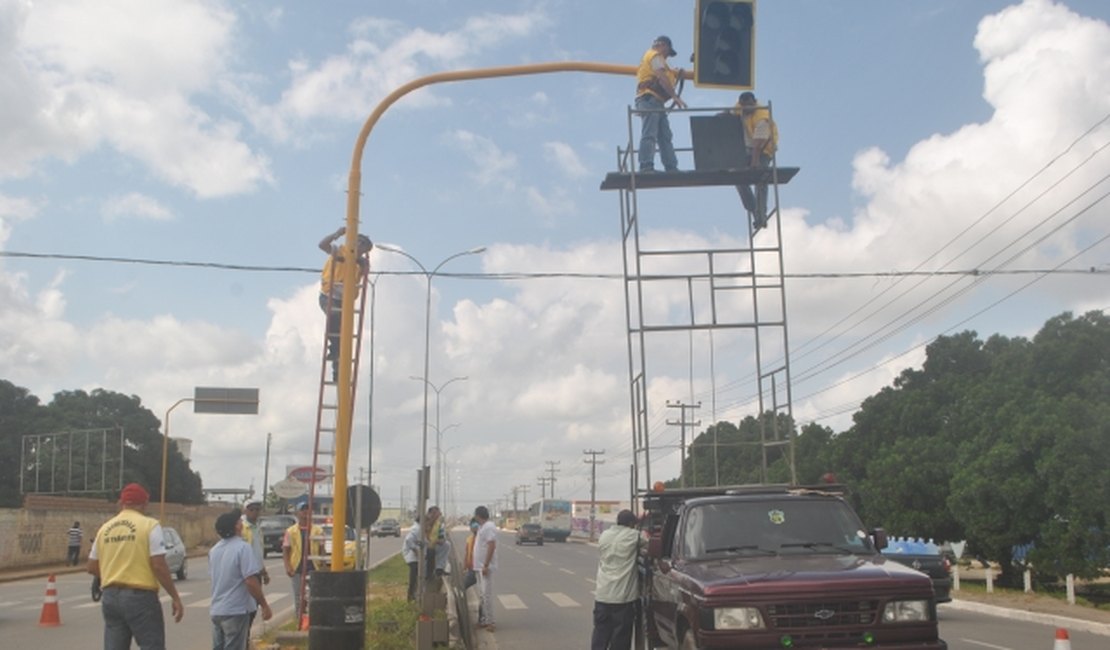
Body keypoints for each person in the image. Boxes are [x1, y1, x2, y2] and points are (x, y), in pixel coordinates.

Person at [86, 482, 184, 650]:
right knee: (151, 645)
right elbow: (159, 565)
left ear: (122, 503)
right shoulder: (149, 525)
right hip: (140, 596)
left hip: (110, 596)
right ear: (144, 504)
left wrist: (114, 573)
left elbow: (92, 566)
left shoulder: (105, 528)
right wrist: (175, 597)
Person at [209, 510, 272, 650]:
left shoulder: (214, 551)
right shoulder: (243, 548)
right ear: (236, 527)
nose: (242, 523)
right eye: (239, 521)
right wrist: (264, 604)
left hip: (217, 610)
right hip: (235, 611)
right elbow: (250, 581)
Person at [318, 226, 374, 381]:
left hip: (345, 301)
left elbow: (365, 272)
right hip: (329, 295)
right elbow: (322, 245)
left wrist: (360, 263)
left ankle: (338, 371)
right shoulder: (339, 251)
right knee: (334, 317)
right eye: (359, 243)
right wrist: (337, 234)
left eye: (364, 247)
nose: (360, 248)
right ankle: (334, 352)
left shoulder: (361, 263)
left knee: (343, 337)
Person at [590, 510, 643, 650]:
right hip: (622, 598)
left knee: (600, 635)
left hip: (602, 595)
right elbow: (648, 546)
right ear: (631, 523)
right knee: (620, 638)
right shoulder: (634, 535)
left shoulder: (604, 535)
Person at [635, 35, 687, 173]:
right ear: (663, 45)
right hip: (649, 98)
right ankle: (646, 165)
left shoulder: (658, 60)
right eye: (668, 52)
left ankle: (671, 167)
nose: (667, 56)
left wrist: (676, 74)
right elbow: (662, 77)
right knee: (650, 133)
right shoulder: (655, 56)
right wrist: (675, 97)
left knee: (665, 135)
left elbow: (665, 76)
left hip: (656, 100)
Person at [733, 91, 778, 230]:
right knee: (738, 178)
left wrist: (755, 162)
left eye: (748, 107)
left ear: (754, 103)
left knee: (760, 180)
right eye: (743, 107)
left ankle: (761, 216)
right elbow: (731, 112)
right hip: (750, 148)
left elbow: (758, 144)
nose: (745, 109)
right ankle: (753, 209)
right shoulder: (739, 106)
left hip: (764, 150)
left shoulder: (762, 117)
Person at [282, 502, 323, 620]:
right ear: (297, 513)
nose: (305, 512)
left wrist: (324, 566)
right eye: (303, 510)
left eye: (308, 510)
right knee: (299, 597)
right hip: (298, 568)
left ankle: (314, 620)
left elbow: (321, 549)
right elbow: (285, 550)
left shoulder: (318, 530)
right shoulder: (290, 531)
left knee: (315, 596)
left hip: (314, 567)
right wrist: (288, 566)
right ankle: (300, 620)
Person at [238, 500, 269, 627]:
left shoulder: (258, 528)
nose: (255, 512)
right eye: (252, 509)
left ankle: (246, 637)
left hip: (256, 572)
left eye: (257, 509)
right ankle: (243, 639)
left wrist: (264, 571)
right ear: (245, 511)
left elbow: (258, 552)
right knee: (245, 609)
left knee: (253, 607)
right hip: (245, 574)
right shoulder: (241, 527)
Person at [474, 505, 498, 631]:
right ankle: (483, 620)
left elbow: (491, 546)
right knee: (482, 595)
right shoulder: (482, 527)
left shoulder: (489, 527)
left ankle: (491, 622)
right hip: (479, 566)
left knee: (486, 595)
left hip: (485, 567)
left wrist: (486, 564)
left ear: (478, 515)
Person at [401, 517, 424, 602]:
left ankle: (413, 596)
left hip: (414, 557)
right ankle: (410, 598)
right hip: (412, 557)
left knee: (416, 578)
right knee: (414, 579)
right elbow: (409, 540)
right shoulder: (417, 529)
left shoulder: (419, 528)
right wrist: (416, 550)